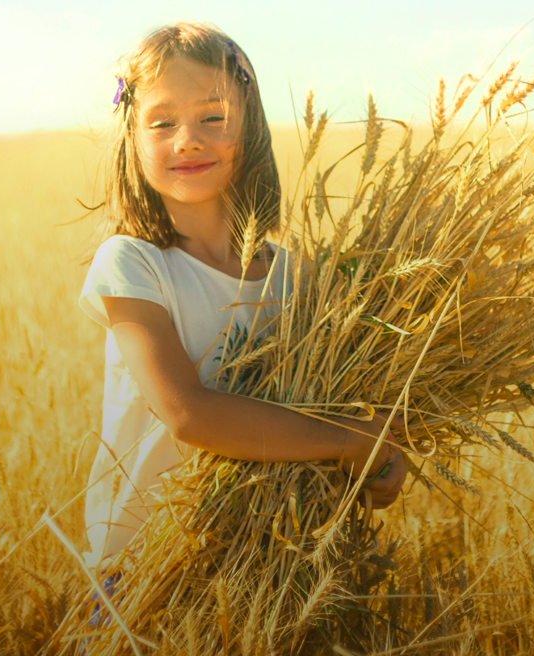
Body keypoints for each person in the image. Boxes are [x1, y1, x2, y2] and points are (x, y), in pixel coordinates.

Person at [76, 22, 408, 577]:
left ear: (249, 128)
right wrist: (346, 441)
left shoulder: (295, 278)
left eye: (213, 117)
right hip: (142, 566)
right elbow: (188, 414)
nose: (188, 138)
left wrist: (374, 463)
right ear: (132, 139)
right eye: (162, 123)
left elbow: (328, 413)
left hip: (269, 566)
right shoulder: (132, 265)